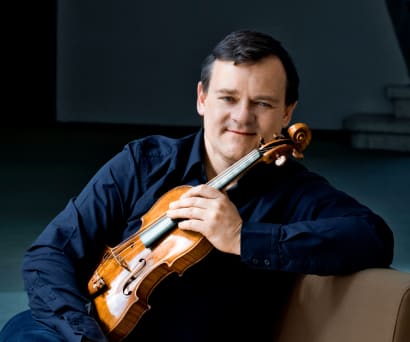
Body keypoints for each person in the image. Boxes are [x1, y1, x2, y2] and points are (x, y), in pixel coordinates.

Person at [0, 30, 394, 342]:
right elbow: (49, 253)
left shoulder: (296, 192)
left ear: (287, 112)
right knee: (24, 332)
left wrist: (242, 237)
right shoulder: (145, 161)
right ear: (202, 98)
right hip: (89, 331)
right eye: (228, 97)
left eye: (263, 103)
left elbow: (372, 236)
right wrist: (85, 337)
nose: (242, 116)